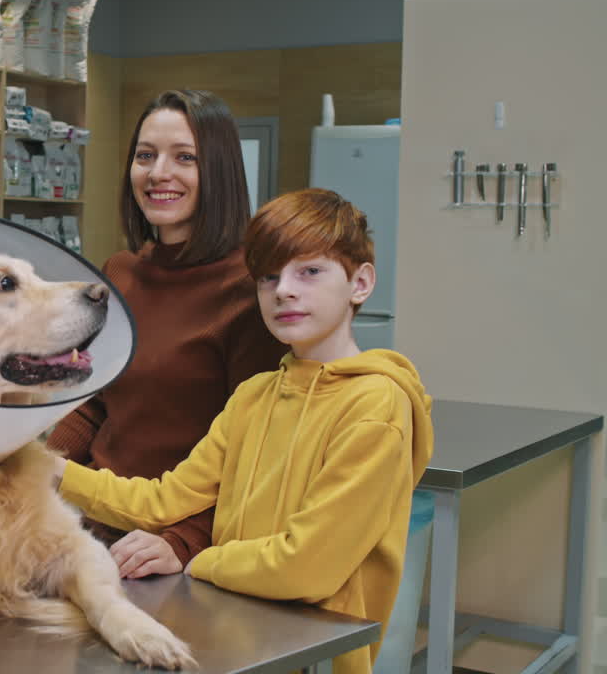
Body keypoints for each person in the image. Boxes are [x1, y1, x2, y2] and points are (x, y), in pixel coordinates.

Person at [55, 188, 434, 674]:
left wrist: (200, 560)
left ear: (360, 283)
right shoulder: (255, 395)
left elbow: (307, 567)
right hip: (236, 637)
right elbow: (165, 499)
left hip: (313, 656)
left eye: (310, 272)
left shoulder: (377, 406)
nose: (285, 291)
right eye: (269, 277)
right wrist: (53, 470)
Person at [46, 89, 286, 578]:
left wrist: (185, 540)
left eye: (185, 158)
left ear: (218, 171)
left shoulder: (254, 290)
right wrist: (40, 463)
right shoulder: (122, 271)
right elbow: (99, 400)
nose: (158, 174)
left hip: (170, 546)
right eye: (145, 156)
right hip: (93, 522)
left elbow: (256, 450)